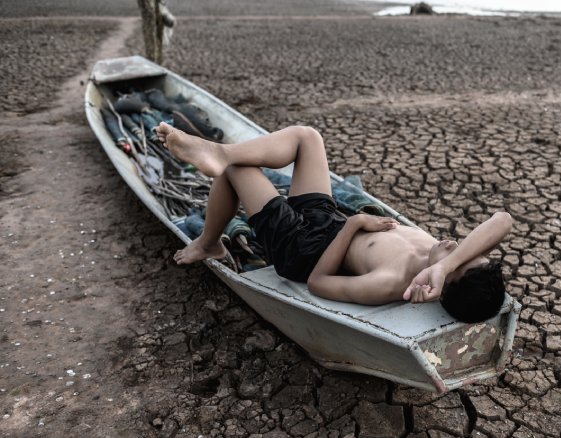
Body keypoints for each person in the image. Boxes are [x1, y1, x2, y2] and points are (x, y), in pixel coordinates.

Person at [155, 123, 512, 323]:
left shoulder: (391, 282)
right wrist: (449, 263)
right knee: (307, 138)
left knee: (240, 171)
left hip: (302, 249)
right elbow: (502, 220)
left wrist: (354, 225)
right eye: (469, 253)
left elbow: (317, 282)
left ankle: (208, 241)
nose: (457, 246)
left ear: (440, 289)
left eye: (460, 262)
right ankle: (219, 152)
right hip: (327, 221)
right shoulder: (443, 256)